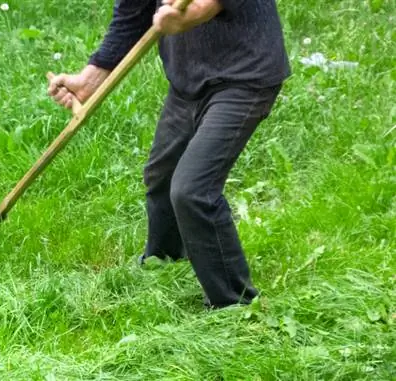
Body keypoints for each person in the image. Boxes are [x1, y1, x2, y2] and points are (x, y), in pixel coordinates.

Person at [48, 0, 290, 309]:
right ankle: (164, 259)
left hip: (244, 76)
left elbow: (205, 5)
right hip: (188, 80)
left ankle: (234, 304)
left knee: (193, 190)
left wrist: (188, 16)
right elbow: (133, 12)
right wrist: (89, 80)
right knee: (162, 174)